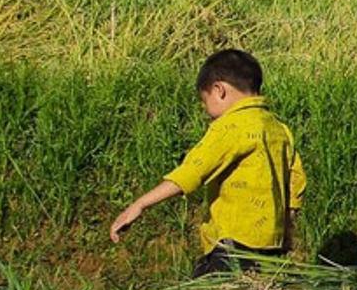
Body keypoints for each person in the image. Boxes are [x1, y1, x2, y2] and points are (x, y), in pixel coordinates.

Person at [109, 48, 306, 276]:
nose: (206, 111)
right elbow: (296, 183)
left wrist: (140, 204)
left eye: (204, 102)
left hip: (235, 244)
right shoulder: (278, 129)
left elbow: (192, 171)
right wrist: (286, 229)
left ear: (219, 90)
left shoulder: (231, 126)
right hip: (270, 246)